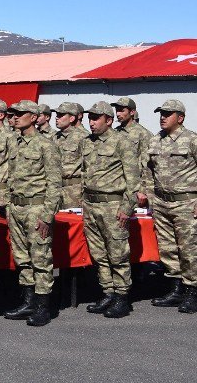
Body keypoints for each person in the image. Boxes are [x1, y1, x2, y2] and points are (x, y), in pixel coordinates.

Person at [3, 101, 62, 327]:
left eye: (20, 114)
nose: (15, 117)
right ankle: (27, 301)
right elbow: (10, 178)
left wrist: (47, 215)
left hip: (36, 207)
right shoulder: (14, 143)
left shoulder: (46, 145)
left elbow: (55, 183)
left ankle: (42, 306)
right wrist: (9, 205)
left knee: (41, 258)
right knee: (22, 258)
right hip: (17, 207)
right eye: (14, 114)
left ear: (34, 117)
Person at [80, 101, 139, 318]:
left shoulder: (122, 142)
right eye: (90, 118)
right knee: (99, 253)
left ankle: (122, 297)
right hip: (91, 205)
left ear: (109, 120)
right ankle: (108, 291)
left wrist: (127, 207)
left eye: (96, 118)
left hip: (113, 206)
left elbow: (133, 180)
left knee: (118, 253)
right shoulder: (86, 143)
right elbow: (84, 175)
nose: (92, 122)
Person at [145, 100, 197, 312]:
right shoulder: (156, 140)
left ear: (180, 117)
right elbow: (148, 171)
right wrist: (150, 197)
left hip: (186, 202)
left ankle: (192, 291)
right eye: (161, 113)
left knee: (189, 249)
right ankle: (175, 289)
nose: (163, 117)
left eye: (168, 114)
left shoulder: (191, 140)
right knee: (167, 248)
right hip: (161, 202)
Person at [114, 97, 154, 205]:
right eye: (117, 110)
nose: (118, 114)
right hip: (115, 188)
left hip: (133, 188)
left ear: (132, 112)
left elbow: (148, 165)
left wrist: (143, 190)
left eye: (122, 110)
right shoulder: (114, 133)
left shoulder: (143, 134)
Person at [54, 102, 89, 208]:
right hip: (56, 190)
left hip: (74, 191)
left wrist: (85, 195)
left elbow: (89, 168)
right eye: (57, 115)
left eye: (61, 115)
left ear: (72, 118)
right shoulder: (54, 137)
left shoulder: (84, 137)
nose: (56, 118)